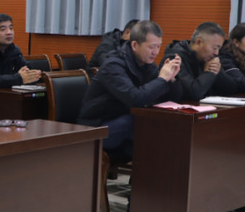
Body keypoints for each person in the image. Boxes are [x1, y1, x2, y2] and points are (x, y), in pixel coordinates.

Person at [78, 20, 182, 164]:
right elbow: (135, 99)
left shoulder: (146, 64)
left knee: (158, 128)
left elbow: (173, 97)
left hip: (122, 122)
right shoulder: (113, 65)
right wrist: (162, 79)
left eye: (159, 46)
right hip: (96, 127)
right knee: (140, 123)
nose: (156, 52)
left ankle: (158, 174)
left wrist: (171, 79)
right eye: (151, 47)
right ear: (134, 45)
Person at [162, 22, 226, 102]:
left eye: (219, 49)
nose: (216, 53)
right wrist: (210, 73)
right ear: (199, 42)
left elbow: (230, 89)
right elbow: (192, 93)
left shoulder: (207, 58)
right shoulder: (175, 58)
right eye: (215, 48)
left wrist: (218, 71)